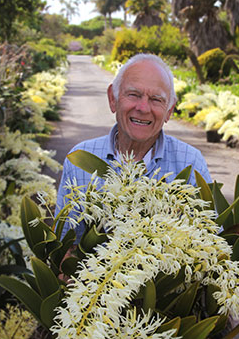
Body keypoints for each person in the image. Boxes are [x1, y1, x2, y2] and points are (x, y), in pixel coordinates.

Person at [55, 53, 212, 242]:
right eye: (133, 95)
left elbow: (209, 240)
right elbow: (63, 246)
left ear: (169, 111)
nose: (143, 108)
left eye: (156, 99)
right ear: (113, 99)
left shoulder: (190, 163)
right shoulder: (80, 159)